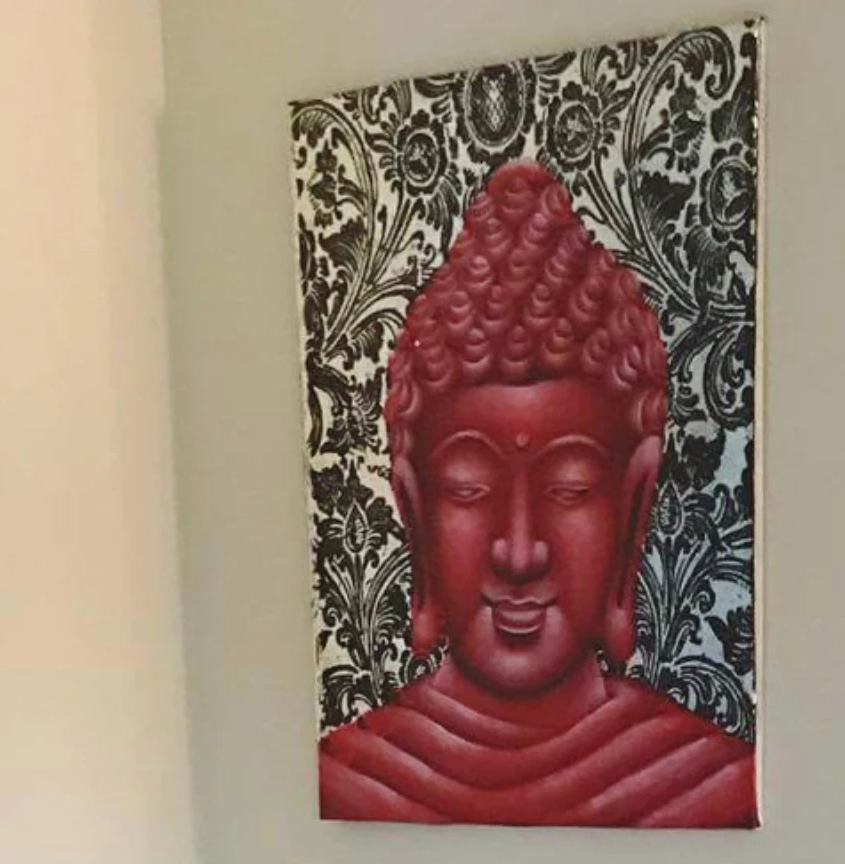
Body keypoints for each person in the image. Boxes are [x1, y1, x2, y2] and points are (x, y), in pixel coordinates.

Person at [317, 162, 759, 828]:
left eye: (569, 488)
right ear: (413, 506)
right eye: (467, 487)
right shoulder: (349, 782)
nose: (518, 552)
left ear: (633, 506)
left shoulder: (711, 786)